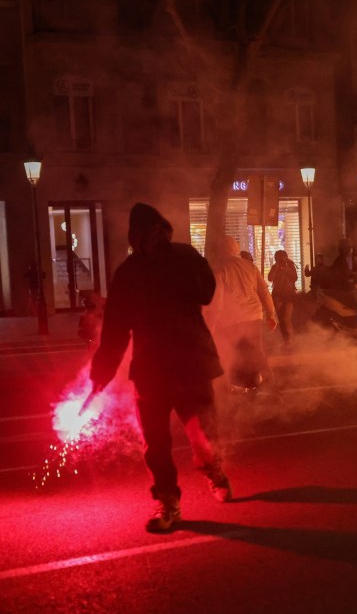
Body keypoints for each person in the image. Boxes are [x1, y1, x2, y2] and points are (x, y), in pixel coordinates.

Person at [88, 203, 230, 534]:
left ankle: (214, 471)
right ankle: (168, 502)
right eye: (146, 234)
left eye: (158, 232)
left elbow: (206, 293)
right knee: (156, 444)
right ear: (136, 238)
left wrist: (179, 261)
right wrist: (101, 375)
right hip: (151, 371)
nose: (153, 239)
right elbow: (115, 331)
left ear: (164, 231)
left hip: (191, 364)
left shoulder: (184, 257)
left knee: (203, 438)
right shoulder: (129, 273)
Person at [205, 236, 278, 392]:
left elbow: (217, 300)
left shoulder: (220, 269)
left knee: (229, 354)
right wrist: (271, 314)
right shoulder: (250, 266)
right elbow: (264, 291)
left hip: (232, 320)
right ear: (236, 249)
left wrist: (210, 325)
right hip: (254, 316)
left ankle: (230, 389)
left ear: (221, 250)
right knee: (256, 353)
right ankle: (268, 386)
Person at [268, 249, 298, 345]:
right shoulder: (275, 267)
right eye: (278, 258)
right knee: (281, 319)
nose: (279, 260)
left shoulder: (290, 265)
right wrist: (276, 267)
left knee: (286, 318)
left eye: (281, 258)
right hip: (277, 295)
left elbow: (295, 277)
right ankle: (286, 341)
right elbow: (270, 278)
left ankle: (290, 340)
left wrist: (286, 268)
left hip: (289, 295)